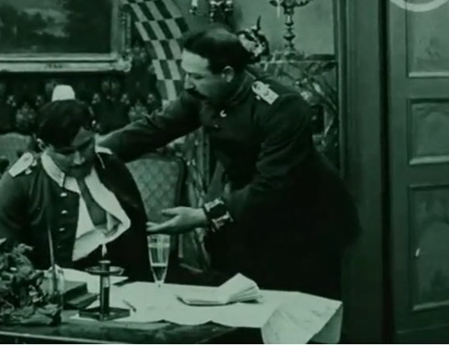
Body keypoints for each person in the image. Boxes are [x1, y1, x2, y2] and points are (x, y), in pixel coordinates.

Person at [100, 26, 361, 299]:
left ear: (227, 74)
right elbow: (155, 128)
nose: (188, 84)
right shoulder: (201, 93)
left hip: (306, 220)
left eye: (196, 76)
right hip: (247, 211)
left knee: (298, 309)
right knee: (240, 301)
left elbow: (271, 186)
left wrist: (202, 216)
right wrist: (93, 151)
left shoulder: (283, 107)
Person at [0, 89, 151, 280]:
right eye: (66, 153)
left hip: (129, 281)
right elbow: (6, 263)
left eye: (86, 146)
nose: (79, 160)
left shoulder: (110, 165)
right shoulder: (17, 185)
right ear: (43, 146)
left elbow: (140, 238)